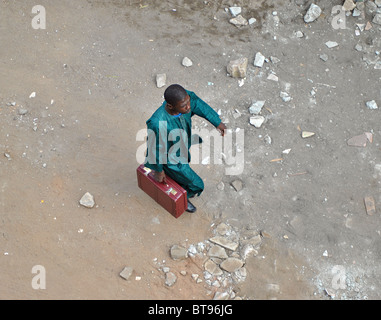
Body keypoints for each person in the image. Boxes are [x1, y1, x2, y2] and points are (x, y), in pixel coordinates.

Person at [144, 84, 227, 213]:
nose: (189, 107)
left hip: (181, 146)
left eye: (188, 102)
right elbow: (155, 148)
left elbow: (197, 104)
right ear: (170, 106)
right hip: (171, 159)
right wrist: (158, 170)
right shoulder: (158, 123)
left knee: (183, 171)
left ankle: (179, 185)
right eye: (184, 105)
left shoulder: (184, 101)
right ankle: (182, 198)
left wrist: (216, 121)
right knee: (197, 184)